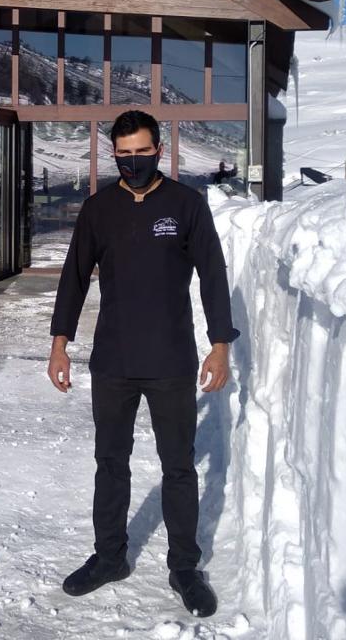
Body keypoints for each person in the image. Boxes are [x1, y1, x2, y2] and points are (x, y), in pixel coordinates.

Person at [47, 109, 237, 618]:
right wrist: (60, 341)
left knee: (178, 468)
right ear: (115, 155)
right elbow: (74, 277)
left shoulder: (185, 205)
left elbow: (213, 276)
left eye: (142, 153)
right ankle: (110, 557)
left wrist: (221, 343)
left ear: (159, 151)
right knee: (110, 464)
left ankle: (184, 568)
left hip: (172, 362)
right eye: (124, 154)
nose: (133, 162)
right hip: (113, 361)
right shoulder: (98, 209)